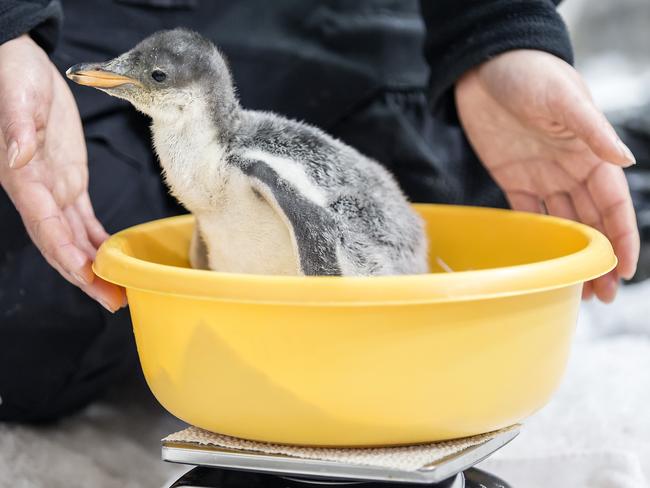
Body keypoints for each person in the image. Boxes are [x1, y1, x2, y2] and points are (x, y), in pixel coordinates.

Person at [0, 0, 640, 422]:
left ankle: (632, 162)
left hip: (349, 24)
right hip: (90, 16)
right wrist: (10, 30)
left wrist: (500, 30)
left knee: (490, 225)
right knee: (30, 309)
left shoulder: (253, 164)